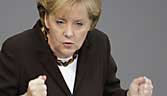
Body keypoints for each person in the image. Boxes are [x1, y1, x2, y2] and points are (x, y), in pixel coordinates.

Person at [0, 0, 153, 96]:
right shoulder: (16, 50)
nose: (69, 33)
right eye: (60, 22)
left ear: (91, 24)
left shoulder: (99, 44)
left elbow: (109, 92)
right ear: (46, 18)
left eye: (79, 24)